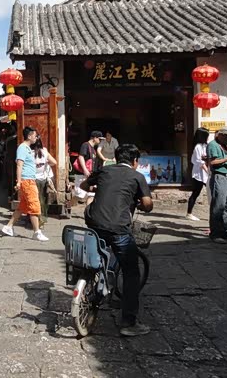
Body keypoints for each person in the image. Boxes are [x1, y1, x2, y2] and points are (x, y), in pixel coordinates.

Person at [80, 144, 154, 337]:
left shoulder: (104, 170)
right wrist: (141, 204)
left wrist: (99, 187)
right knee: (131, 272)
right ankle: (129, 322)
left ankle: (99, 286)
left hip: (94, 223)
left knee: (99, 254)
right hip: (119, 227)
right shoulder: (137, 177)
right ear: (135, 161)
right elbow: (148, 205)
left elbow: (83, 186)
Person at [2, 127, 50, 241]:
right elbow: (19, 164)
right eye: (35, 135)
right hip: (27, 181)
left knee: (22, 207)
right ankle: (37, 232)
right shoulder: (23, 148)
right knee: (34, 205)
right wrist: (19, 181)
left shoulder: (27, 148)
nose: (36, 138)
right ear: (29, 136)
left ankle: (8, 227)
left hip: (29, 180)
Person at [33, 136, 58, 227]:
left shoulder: (30, 152)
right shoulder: (44, 151)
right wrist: (46, 164)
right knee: (43, 200)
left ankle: (36, 219)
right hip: (44, 179)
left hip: (33, 179)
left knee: (35, 200)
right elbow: (54, 162)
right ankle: (42, 218)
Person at [187, 127, 210, 221]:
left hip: (206, 173)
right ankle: (189, 213)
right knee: (196, 193)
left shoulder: (206, 145)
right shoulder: (198, 147)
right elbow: (200, 162)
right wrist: (208, 171)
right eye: (207, 136)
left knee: (212, 193)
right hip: (199, 174)